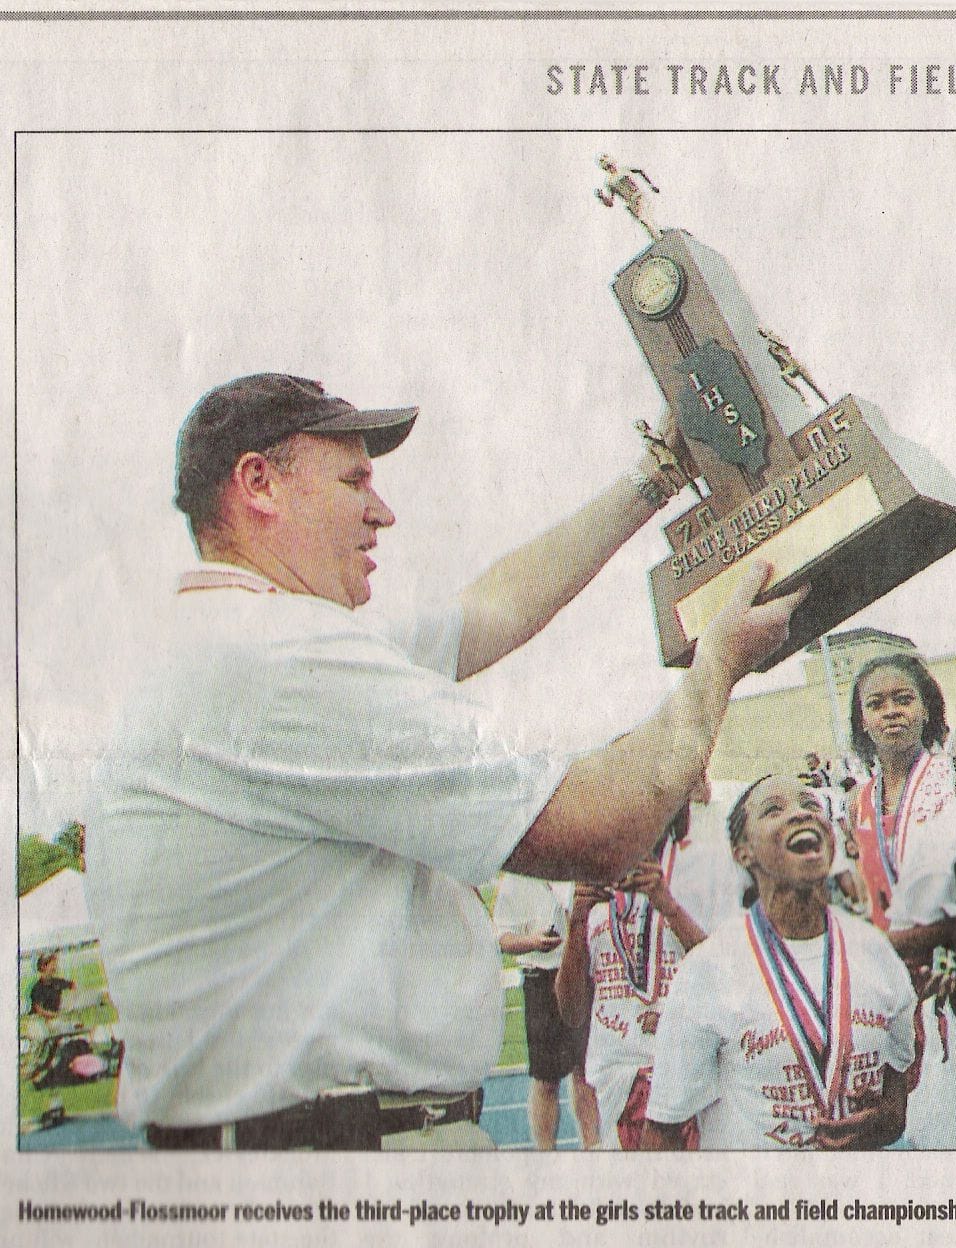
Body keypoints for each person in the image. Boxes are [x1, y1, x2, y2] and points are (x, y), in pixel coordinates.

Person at [88, 372, 803, 1149]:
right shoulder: (281, 659)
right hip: (339, 1160)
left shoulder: (236, 647)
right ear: (258, 483)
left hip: (292, 1150)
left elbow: (490, 610)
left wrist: (654, 475)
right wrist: (717, 666)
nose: (382, 512)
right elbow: (597, 830)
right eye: (355, 479)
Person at [642, 776, 916, 1150]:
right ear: (743, 852)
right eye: (774, 809)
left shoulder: (877, 953)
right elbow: (663, 1135)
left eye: (811, 805)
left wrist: (881, 1124)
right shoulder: (710, 967)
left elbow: (895, 1108)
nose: (800, 814)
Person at [555, 802, 739, 1149]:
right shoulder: (591, 874)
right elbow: (571, 1012)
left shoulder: (705, 859)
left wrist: (667, 905)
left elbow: (725, 980)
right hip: (615, 1084)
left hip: (687, 1079)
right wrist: (576, 921)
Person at [844, 654, 956, 939]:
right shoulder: (857, 802)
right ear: (863, 721)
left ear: (926, 710)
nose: (891, 711)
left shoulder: (955, 779)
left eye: (904, 700)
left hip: (954, 952)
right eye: (875, 704)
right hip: (888, 960)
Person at [492, 874, 601, 1150]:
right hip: (541, 979)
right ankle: (545, 1153)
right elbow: (501, 938)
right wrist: (533, 942)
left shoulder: (573, 868)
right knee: (545, 1078)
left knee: (585, 1072)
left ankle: (593, 1147)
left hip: (579, 973)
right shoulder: (517, 880)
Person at [27, 952, 75, 1025]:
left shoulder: (58, 982)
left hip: (55, 1019)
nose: (55, 967)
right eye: (52, 965)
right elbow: (39, 1011)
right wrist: (57, 1015)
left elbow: (72, 985)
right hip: (40, 1022)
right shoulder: (37, 988)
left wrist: (69, 1002)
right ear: (43, 967)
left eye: (55, 965)